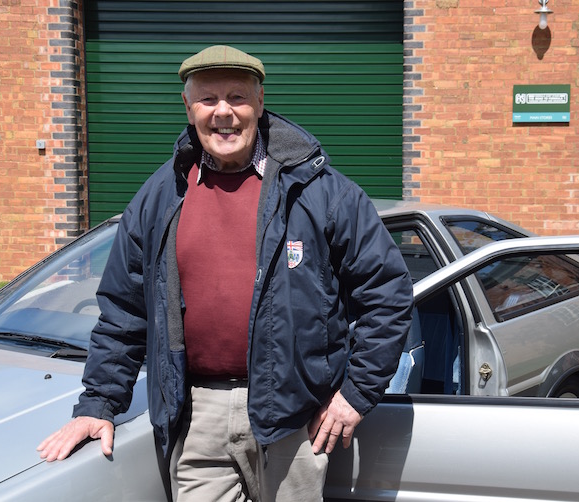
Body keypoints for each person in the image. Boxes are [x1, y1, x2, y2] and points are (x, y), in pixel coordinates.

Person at [37, 45, 414, 502]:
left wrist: (355, 394)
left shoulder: (322, 192)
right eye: (208, 99)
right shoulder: (160, 196)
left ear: (259, 101)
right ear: (187, 106)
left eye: (237, 97)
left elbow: (388, 295)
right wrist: (99, 402)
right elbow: (124, 310)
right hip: (197, 415)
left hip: (296, 417)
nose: (223, 113)